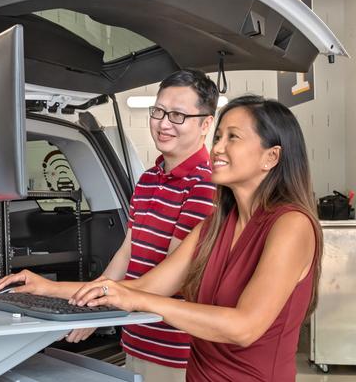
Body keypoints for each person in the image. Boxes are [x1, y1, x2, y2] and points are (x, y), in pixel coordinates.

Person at [70, 96, 322, 381]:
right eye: (218, 137)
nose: (217, 148)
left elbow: (244, 327)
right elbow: (145, 287)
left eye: (233, 137)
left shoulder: (291, 225)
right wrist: (42, 290)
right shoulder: (213, 227)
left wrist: (135, 298)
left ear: (271, 157)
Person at [0, 69, 219, 381]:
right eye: (159, 111)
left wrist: (75, 297)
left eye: (178, 115)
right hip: (135, 339)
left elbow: (167, 283)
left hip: (174, 352)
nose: (164, 123)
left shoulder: (205, 186)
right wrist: (91, 305)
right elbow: (126, 255)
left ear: (206, 123)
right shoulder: (149, 179)